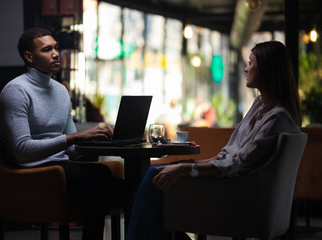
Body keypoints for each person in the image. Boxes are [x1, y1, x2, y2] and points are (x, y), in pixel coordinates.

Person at [126, 41, 301, 240]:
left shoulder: (276, 117)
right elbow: (231, 155)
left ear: (267, 68)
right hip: (237, 187)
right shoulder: (262, 106)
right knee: (157, 183)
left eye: (251, 62)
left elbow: (235, 164)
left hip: (233, 194)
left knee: (153, 178)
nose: (246, 68)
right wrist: (191, 164)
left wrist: (186, 168)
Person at [0, 28, 124, 240]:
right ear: (29, 56)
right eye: (47, 50)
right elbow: (21, 151)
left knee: (129, 188)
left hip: (61, 171)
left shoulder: (60, 91)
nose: (56, 54)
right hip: (33, 174)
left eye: (56, 48)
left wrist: (93, 138)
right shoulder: (16, 91)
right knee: (103, 181)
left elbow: (72, 152)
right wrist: (76, 137)